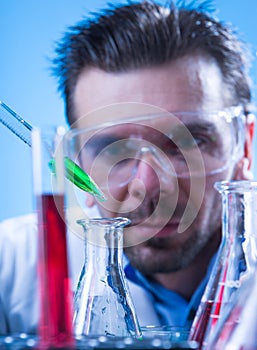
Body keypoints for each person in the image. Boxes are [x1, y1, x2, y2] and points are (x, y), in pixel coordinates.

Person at [0, 0, 255, 334]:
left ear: (245, 148)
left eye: (186, 144)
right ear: (76, 161)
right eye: (113, 150)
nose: (147, 186)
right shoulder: (10, 270)